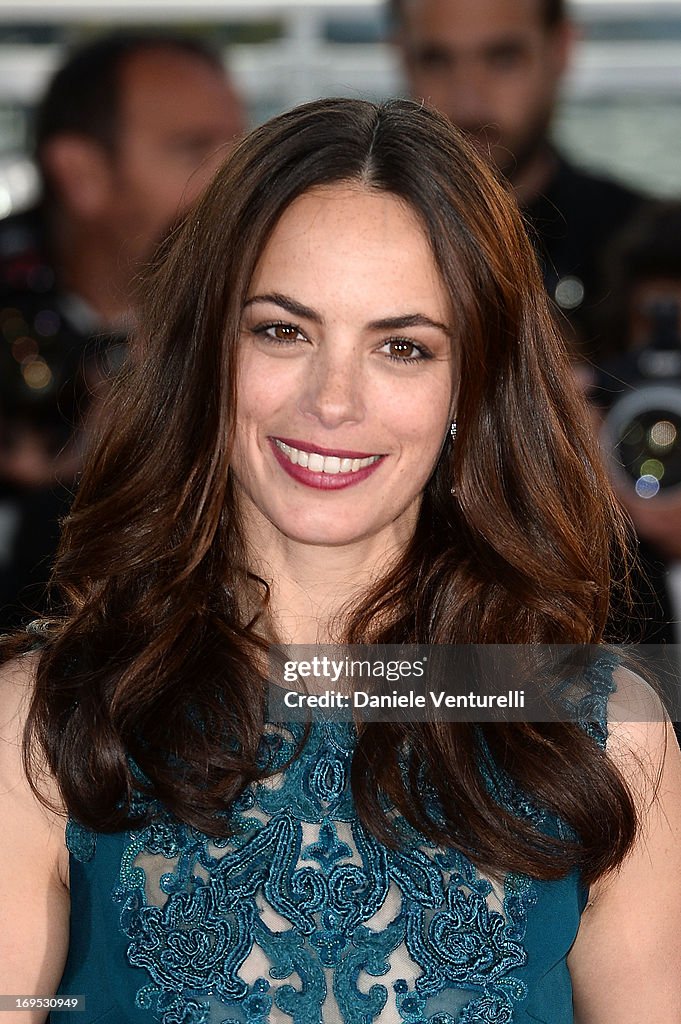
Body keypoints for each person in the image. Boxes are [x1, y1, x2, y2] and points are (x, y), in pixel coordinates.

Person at [1, 98, 679, 1023]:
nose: (332, 400)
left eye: (402, 347)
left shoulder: (600, 730)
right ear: (209, 351)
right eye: (283, 330)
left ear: (466, 387)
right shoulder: (41, 725)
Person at [0, 31, 246, 630]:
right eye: (194, 149)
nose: (233, 179)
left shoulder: (267, 313)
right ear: (82, 174)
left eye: (240, 149)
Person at [390, 0, 648, 357]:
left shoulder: (653, 249)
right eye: (436, 60)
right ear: (401, 55)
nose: (469, 102)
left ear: (561, 50)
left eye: (503, 59)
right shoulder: (347, 246)